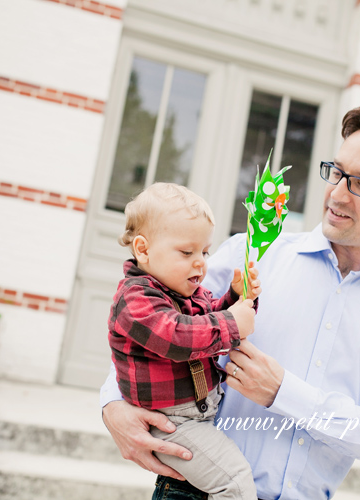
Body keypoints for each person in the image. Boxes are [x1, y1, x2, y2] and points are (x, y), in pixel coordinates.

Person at [101, 102, 360, 500]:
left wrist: (284, 392)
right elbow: (146, 324)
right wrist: (112, 404)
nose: (336, 194)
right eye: (336, 172)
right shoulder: (249, 254)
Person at [108, 182, 262, 499]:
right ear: (143, 249)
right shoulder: (135, 300)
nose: (200, 262)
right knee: (234, 482)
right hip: (171, 422)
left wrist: (237, 298)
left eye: (204, 251)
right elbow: (178, 338)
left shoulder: (187, 294)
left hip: (193, 420)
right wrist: (232, 323)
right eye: (186, 252)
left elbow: (210, 319)